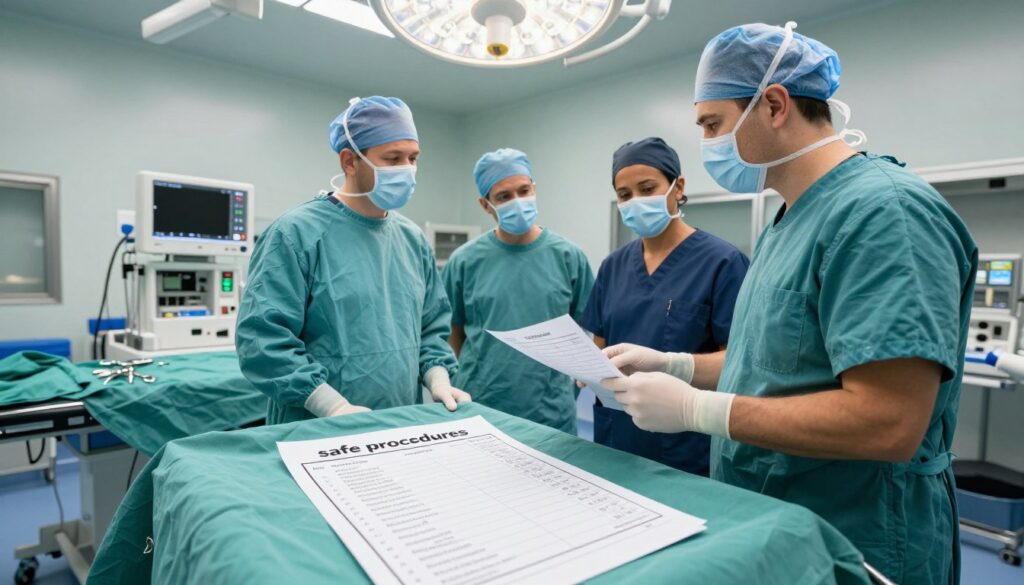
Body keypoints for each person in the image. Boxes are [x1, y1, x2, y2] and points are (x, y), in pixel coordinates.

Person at [601, 22, 976, 584]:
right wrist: (674, 365)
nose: (707, 144)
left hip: (859, 532)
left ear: (773, 104)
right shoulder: (787, 222)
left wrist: (694, 410)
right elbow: (770, 363)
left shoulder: (883, 214)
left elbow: (889, 421)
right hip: (782, 517)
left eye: (712, 124)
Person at [236, 96, 470, 425]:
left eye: (413, 158)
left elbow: (431, 327)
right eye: (392, 158)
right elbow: (263, 340)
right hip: (313, 426)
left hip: (398, 420)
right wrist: (331, 407)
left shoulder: (412, 239)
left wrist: (438, 380)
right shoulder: (295, 234)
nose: (407, 169)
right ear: (349, 161)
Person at [580, 137, 749, 475]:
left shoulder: (723, 262)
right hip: (617, 434)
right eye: (625, 195)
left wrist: (671, 365)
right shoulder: (613, 266)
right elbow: (597, 348)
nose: (635, 201)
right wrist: (583, 370)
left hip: (686, 443)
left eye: (647, 188)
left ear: (678, 187)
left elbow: (741, 363)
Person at [442, 148, 594, 433]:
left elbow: (591, 327)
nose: (517, 201)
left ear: (534, 189)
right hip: (482, 406)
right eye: (504, 196)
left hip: (551, 410)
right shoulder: (464, 262)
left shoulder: (568, 257)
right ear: (486, 205)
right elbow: (454, 331)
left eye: (523, 191)